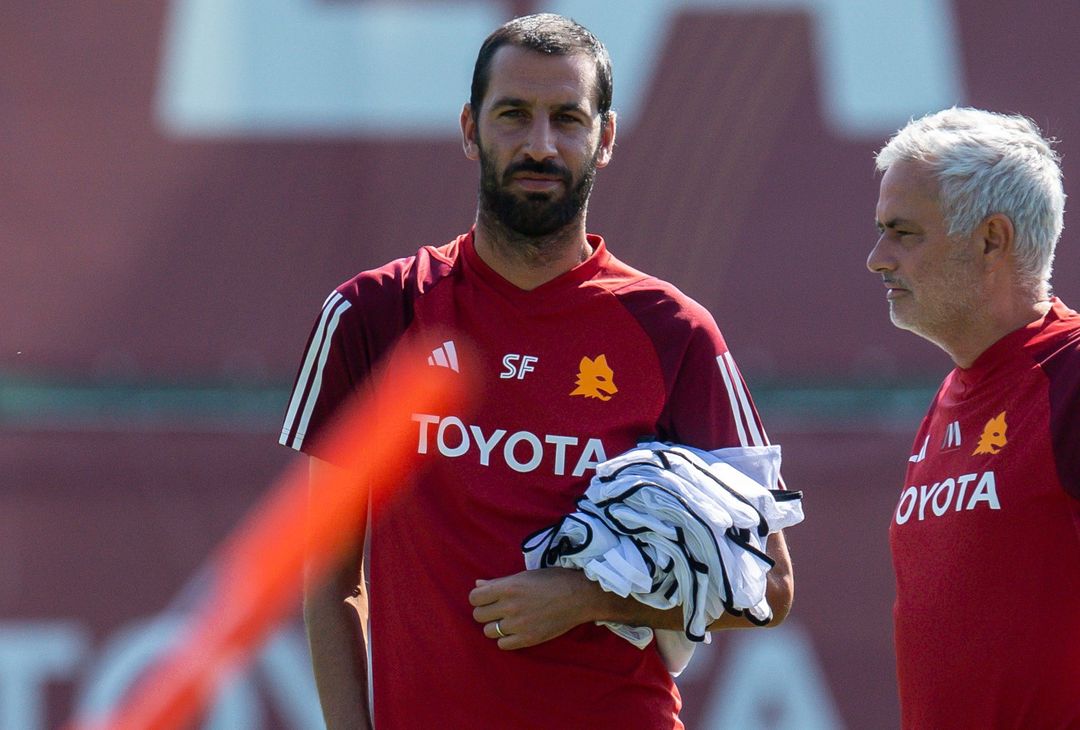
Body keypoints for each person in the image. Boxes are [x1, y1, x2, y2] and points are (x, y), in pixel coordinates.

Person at [280, 13, 793, 729]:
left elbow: (769, 585)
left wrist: (590, 595)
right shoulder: (376, 313)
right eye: (514, 116)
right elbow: (330, 579)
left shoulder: (674, 332)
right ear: (469, 128)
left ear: (605, 138)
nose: (540, 145)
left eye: (568, 119)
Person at [869, 107, 1080, 728]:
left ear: (992, 239)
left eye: (904, 233)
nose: (878, 258)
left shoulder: (1070, 376)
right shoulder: (954, 395)